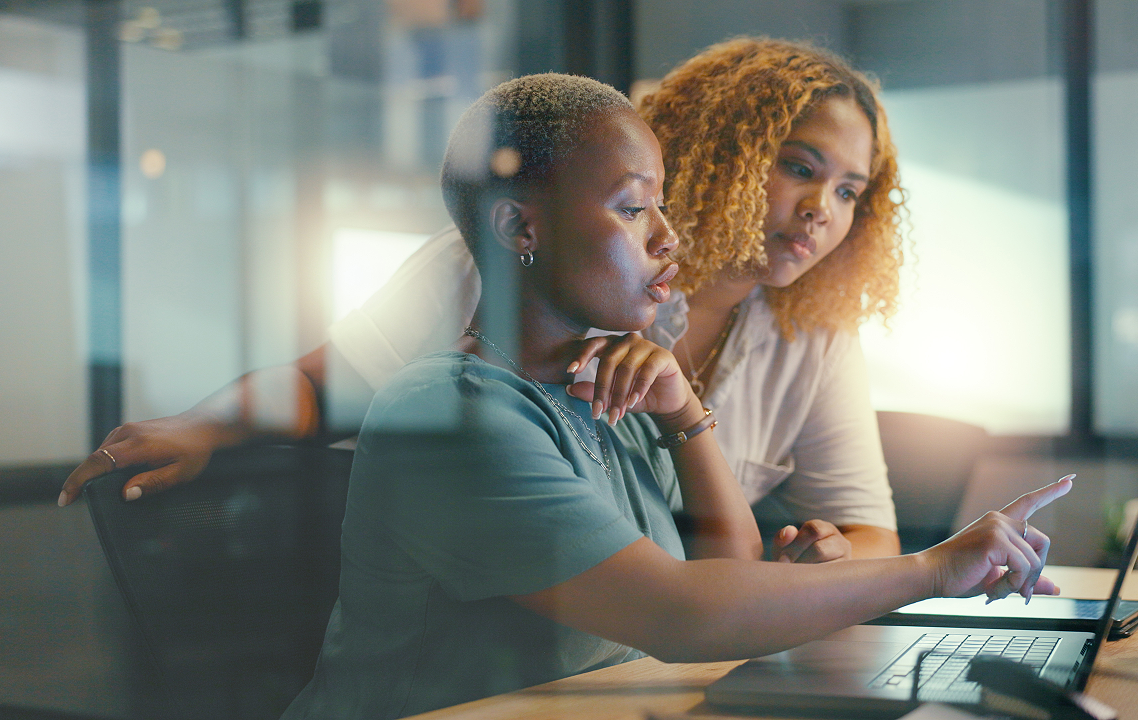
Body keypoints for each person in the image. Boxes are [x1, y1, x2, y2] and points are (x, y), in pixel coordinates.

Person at [279, 73, 1070, 719]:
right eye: (631, 209)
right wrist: (932, 571)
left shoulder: (608, 392)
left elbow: (728, 569)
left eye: (660, 205)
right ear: (521, 229)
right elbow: (681, 616)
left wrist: (686, 415)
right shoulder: (448, 417)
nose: (668, 238)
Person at [60, 39, 901, 563]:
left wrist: (824, 563)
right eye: (800, 167)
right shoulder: (508, 267)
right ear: (723, 152)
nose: (823, 210)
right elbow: (324, 383)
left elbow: (867, 534)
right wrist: (208, 423)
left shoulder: (813, 332)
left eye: (850, 190)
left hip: (661, 623)